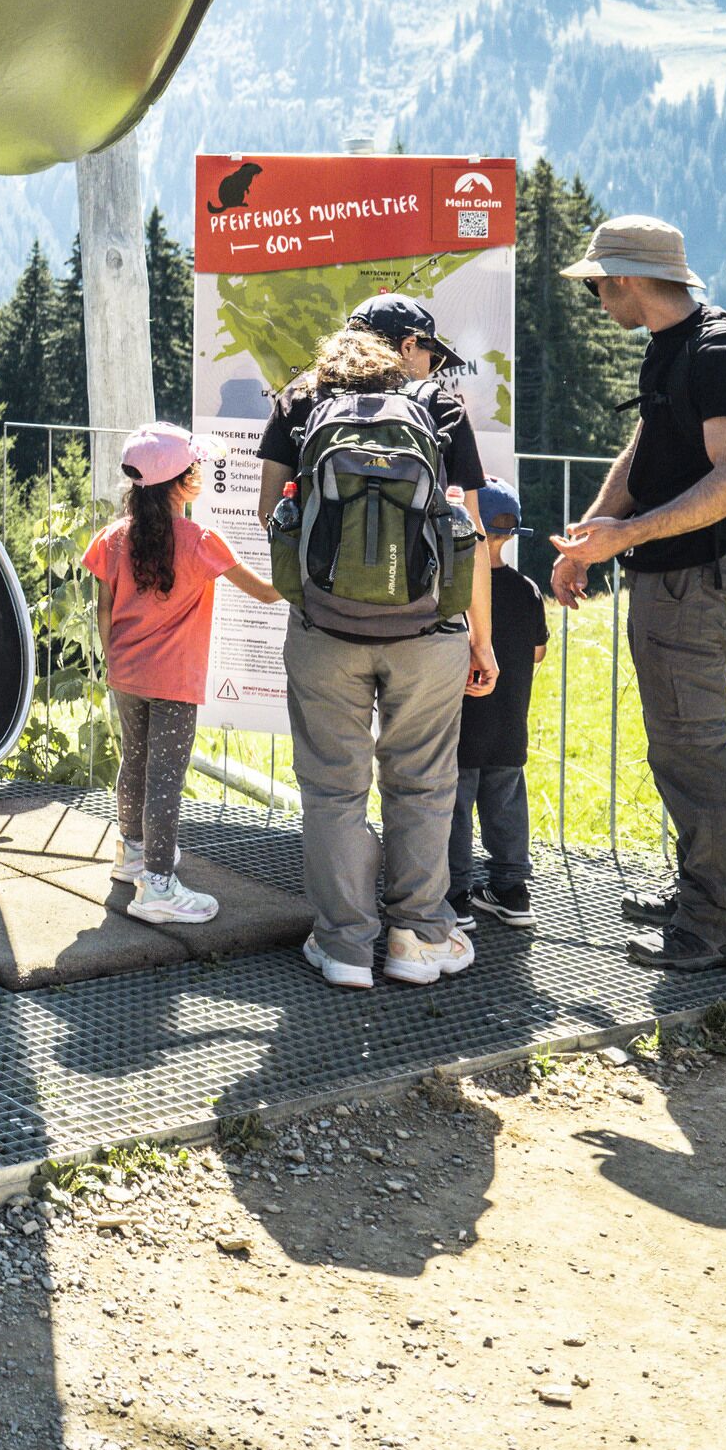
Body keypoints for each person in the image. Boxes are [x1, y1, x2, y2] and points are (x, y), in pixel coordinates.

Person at [551, 214, 726, 970]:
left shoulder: (718, 352)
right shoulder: (672, 346)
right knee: (682, 748)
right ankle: (713, 893)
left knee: (694, 751)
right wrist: (593, 532)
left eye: (597, 286)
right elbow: (646, 447)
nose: (596, 300)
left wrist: (625, 536)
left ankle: (718, 926)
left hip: (690, 581)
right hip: (668, 579)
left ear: (626, 279)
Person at [260, 304, 497, 991]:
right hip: (426, 632)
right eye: (429, 352)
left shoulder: (300, 400)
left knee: (333, 789)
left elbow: (270, 513)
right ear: (407, 347)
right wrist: (481, 639)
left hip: (325, 631)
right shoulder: (437, 406)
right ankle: (417, 939)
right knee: (422, 783)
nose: (433, 364)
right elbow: (470, 535)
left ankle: (343, 946)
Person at [85, 423, 282, 928]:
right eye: (197, 467)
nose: (202, 473)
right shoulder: (200, 541)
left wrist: (115, 661)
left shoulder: (113, 538)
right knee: (165, 779)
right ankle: (158, 886)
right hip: (174, 682)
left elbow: (104, 609)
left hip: (126, 675)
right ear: (183, 480)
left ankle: (132, 855)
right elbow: (266, 593)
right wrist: (307, 563)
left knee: (134, 764)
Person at [450, 482, 549, 928]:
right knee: (506, 807)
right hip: (509, 724)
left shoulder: (455, 590)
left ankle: (455, 896)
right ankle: (511, 890)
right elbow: (537, 652)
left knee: (455, 809)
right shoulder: (527, 590)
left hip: (461, 724)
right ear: (512, 533)